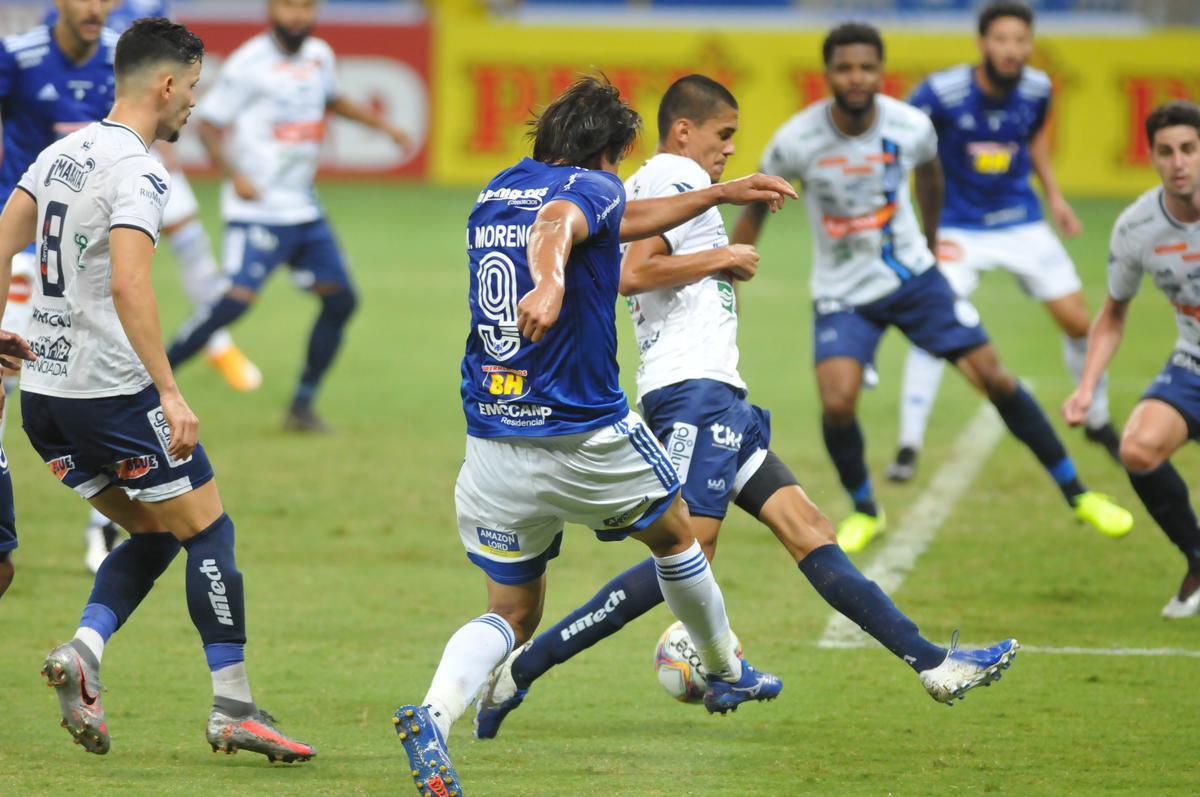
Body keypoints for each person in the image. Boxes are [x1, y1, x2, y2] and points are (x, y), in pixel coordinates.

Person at [472, 75, 1019, 742]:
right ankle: (522, 669)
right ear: (683, 131)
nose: (730, 148)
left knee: (807, 526)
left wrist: (715, 250)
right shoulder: (673, 173)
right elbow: (632, 274)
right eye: (723, 134)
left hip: (716, 391)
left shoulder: (656, 183)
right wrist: (720, 255)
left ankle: (932, 663)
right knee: (687, 550)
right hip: (690, 388)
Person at [391, 75, 794, 797]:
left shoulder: (495, 191)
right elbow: (559, 225)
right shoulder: (589, 188)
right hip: (583, 435)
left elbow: (615, 219)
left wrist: (719, 193)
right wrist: (549, 283)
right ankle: (725, 668)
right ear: (606, 153)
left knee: (511, 612)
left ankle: (434, 714)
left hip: (492, 438)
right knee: (680, 537)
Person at [0, 17, 314, 761]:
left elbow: (3, 237)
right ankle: (233, 706)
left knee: (154, 532)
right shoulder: (140, 171)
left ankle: (84, 651)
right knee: (208, 530)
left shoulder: (59, 153)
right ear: (166, 84)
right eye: (194, 87)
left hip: (44, 398)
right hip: (110, 393)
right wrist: (170, 392)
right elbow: (132, 283)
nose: (194, 103)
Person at [731, 22, 1132, 553]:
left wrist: (932, 241)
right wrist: (731, 268)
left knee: (995, 377)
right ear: (827, 73)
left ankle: (1079, 493)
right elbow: (757, 203)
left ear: (881, 71)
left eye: (866, 67)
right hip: (842, 292)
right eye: (844, 68)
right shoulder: (796, 140)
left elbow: (930, 176)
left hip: (914, 279)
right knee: (837, 402)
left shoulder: (910, 124)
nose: (856, 78)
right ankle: (865, 509)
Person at [886, 0, 1119, 483]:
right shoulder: (942, 92)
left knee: (1079, 321)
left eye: (1020, 40)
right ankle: (908, 444)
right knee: (935, 324)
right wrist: (913, 224)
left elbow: (1034, 140)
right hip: (957, 227)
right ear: (982, 44)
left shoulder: (1038, 88)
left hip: (1019, 221)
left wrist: (1055, 198)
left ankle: (1096, 417)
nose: (1012, 50)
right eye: (1002, 40)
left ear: (1030, 44)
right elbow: (899, 142)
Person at [165, 0, 412, 432]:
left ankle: (302, 405)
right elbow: (208, 126)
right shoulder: (249, 63)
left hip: (303, 210)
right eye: (289, 6)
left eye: (306, 7)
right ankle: (154, 382)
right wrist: (235, 176)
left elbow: (333, 100)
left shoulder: (319, 55)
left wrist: (383, 127)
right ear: (271, 9)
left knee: (341, 300)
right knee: (233, 302)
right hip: (258, 210)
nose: (298, 16)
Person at [1064, 100, 1200, 618]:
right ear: (1152, 157)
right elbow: (1113, 314)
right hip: (1192, 362)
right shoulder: (1137, 227)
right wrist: (1086, 388)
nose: (1178, 162)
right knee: (1138, 448)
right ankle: (1197, 558)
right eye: (1166, 151)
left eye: (1189, 149)